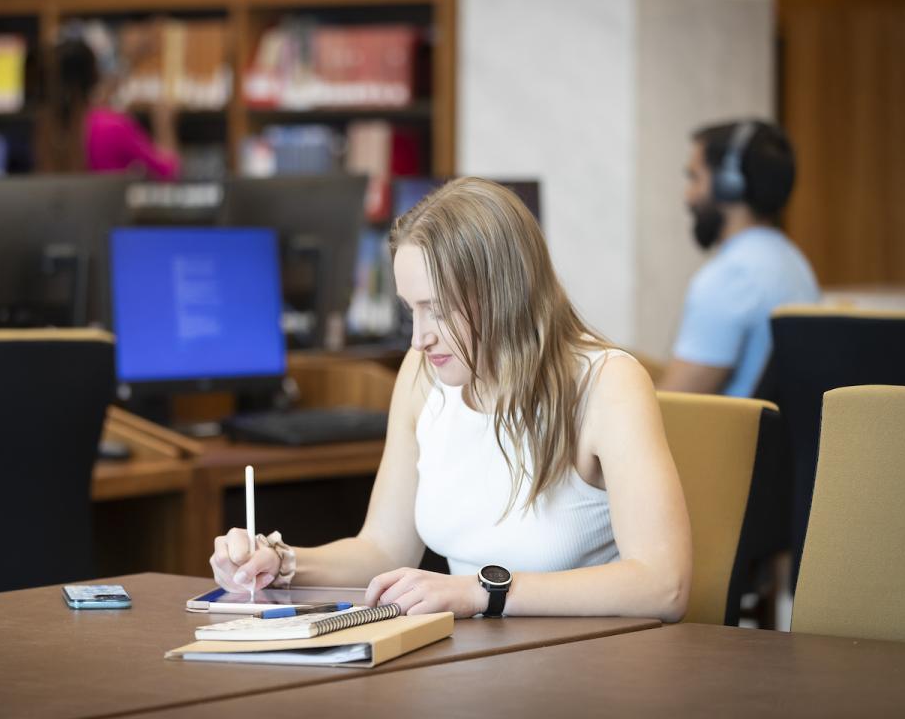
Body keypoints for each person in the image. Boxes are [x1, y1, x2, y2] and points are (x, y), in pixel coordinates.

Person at [210, 177, 692, 621]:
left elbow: (663, 586)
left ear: (505, 294)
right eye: (410, 310)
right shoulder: (422, 375)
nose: (419, 339)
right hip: (480, 662)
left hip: (593, 668)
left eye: (436, 310)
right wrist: (281, 561)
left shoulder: (607, 383)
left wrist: (482, 592)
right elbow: (382, 549)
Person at [659, 120, 819, 397]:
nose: (688, 195)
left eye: (695, 178)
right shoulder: (796, 263)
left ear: (729, 183)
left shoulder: (731, 276)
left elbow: (674, 407)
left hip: (727, 441)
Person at [56, 36, 180, 180]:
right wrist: (164, 124)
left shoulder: (47, 129)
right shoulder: (111, 126)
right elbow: (169, 172)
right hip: (109, 202)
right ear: (95, 76)